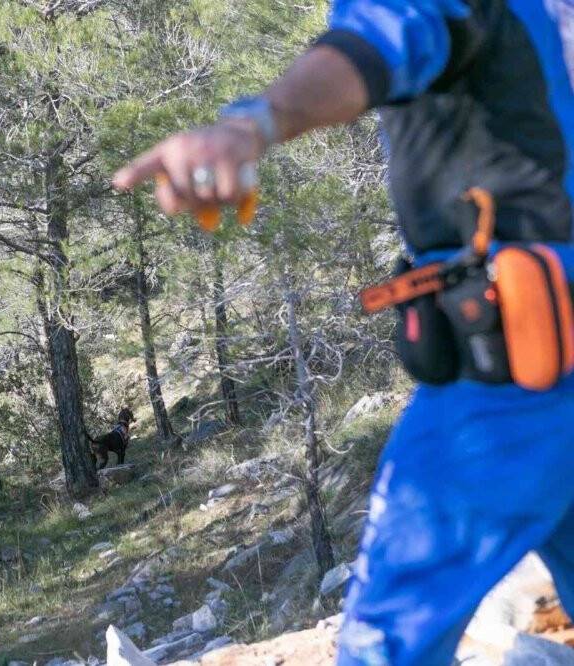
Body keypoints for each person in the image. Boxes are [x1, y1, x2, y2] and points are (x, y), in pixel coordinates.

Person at [113, 2, 574, 665]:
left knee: (385, 645)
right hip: (542, 359)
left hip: (507, 389)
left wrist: (250, 126)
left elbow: (371, 48)